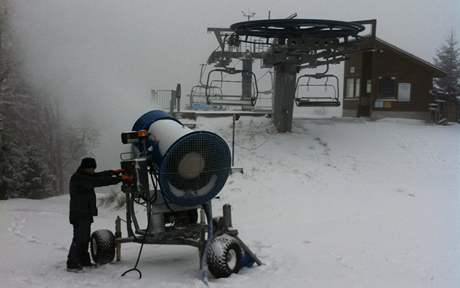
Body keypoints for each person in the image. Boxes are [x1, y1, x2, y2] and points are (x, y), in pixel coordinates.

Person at [66, 157, 123, 272]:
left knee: (85, 238)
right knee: (79, 238)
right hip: (79, 214)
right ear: (85, 167)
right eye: (91, 169)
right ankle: (72, 263)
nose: (93, 171)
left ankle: (84, 261)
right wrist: (120, 179)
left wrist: (112, 172)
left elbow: (98, 176)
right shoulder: (78, 178)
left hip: (85, 213)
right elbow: (98, 181)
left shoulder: (85, 176)